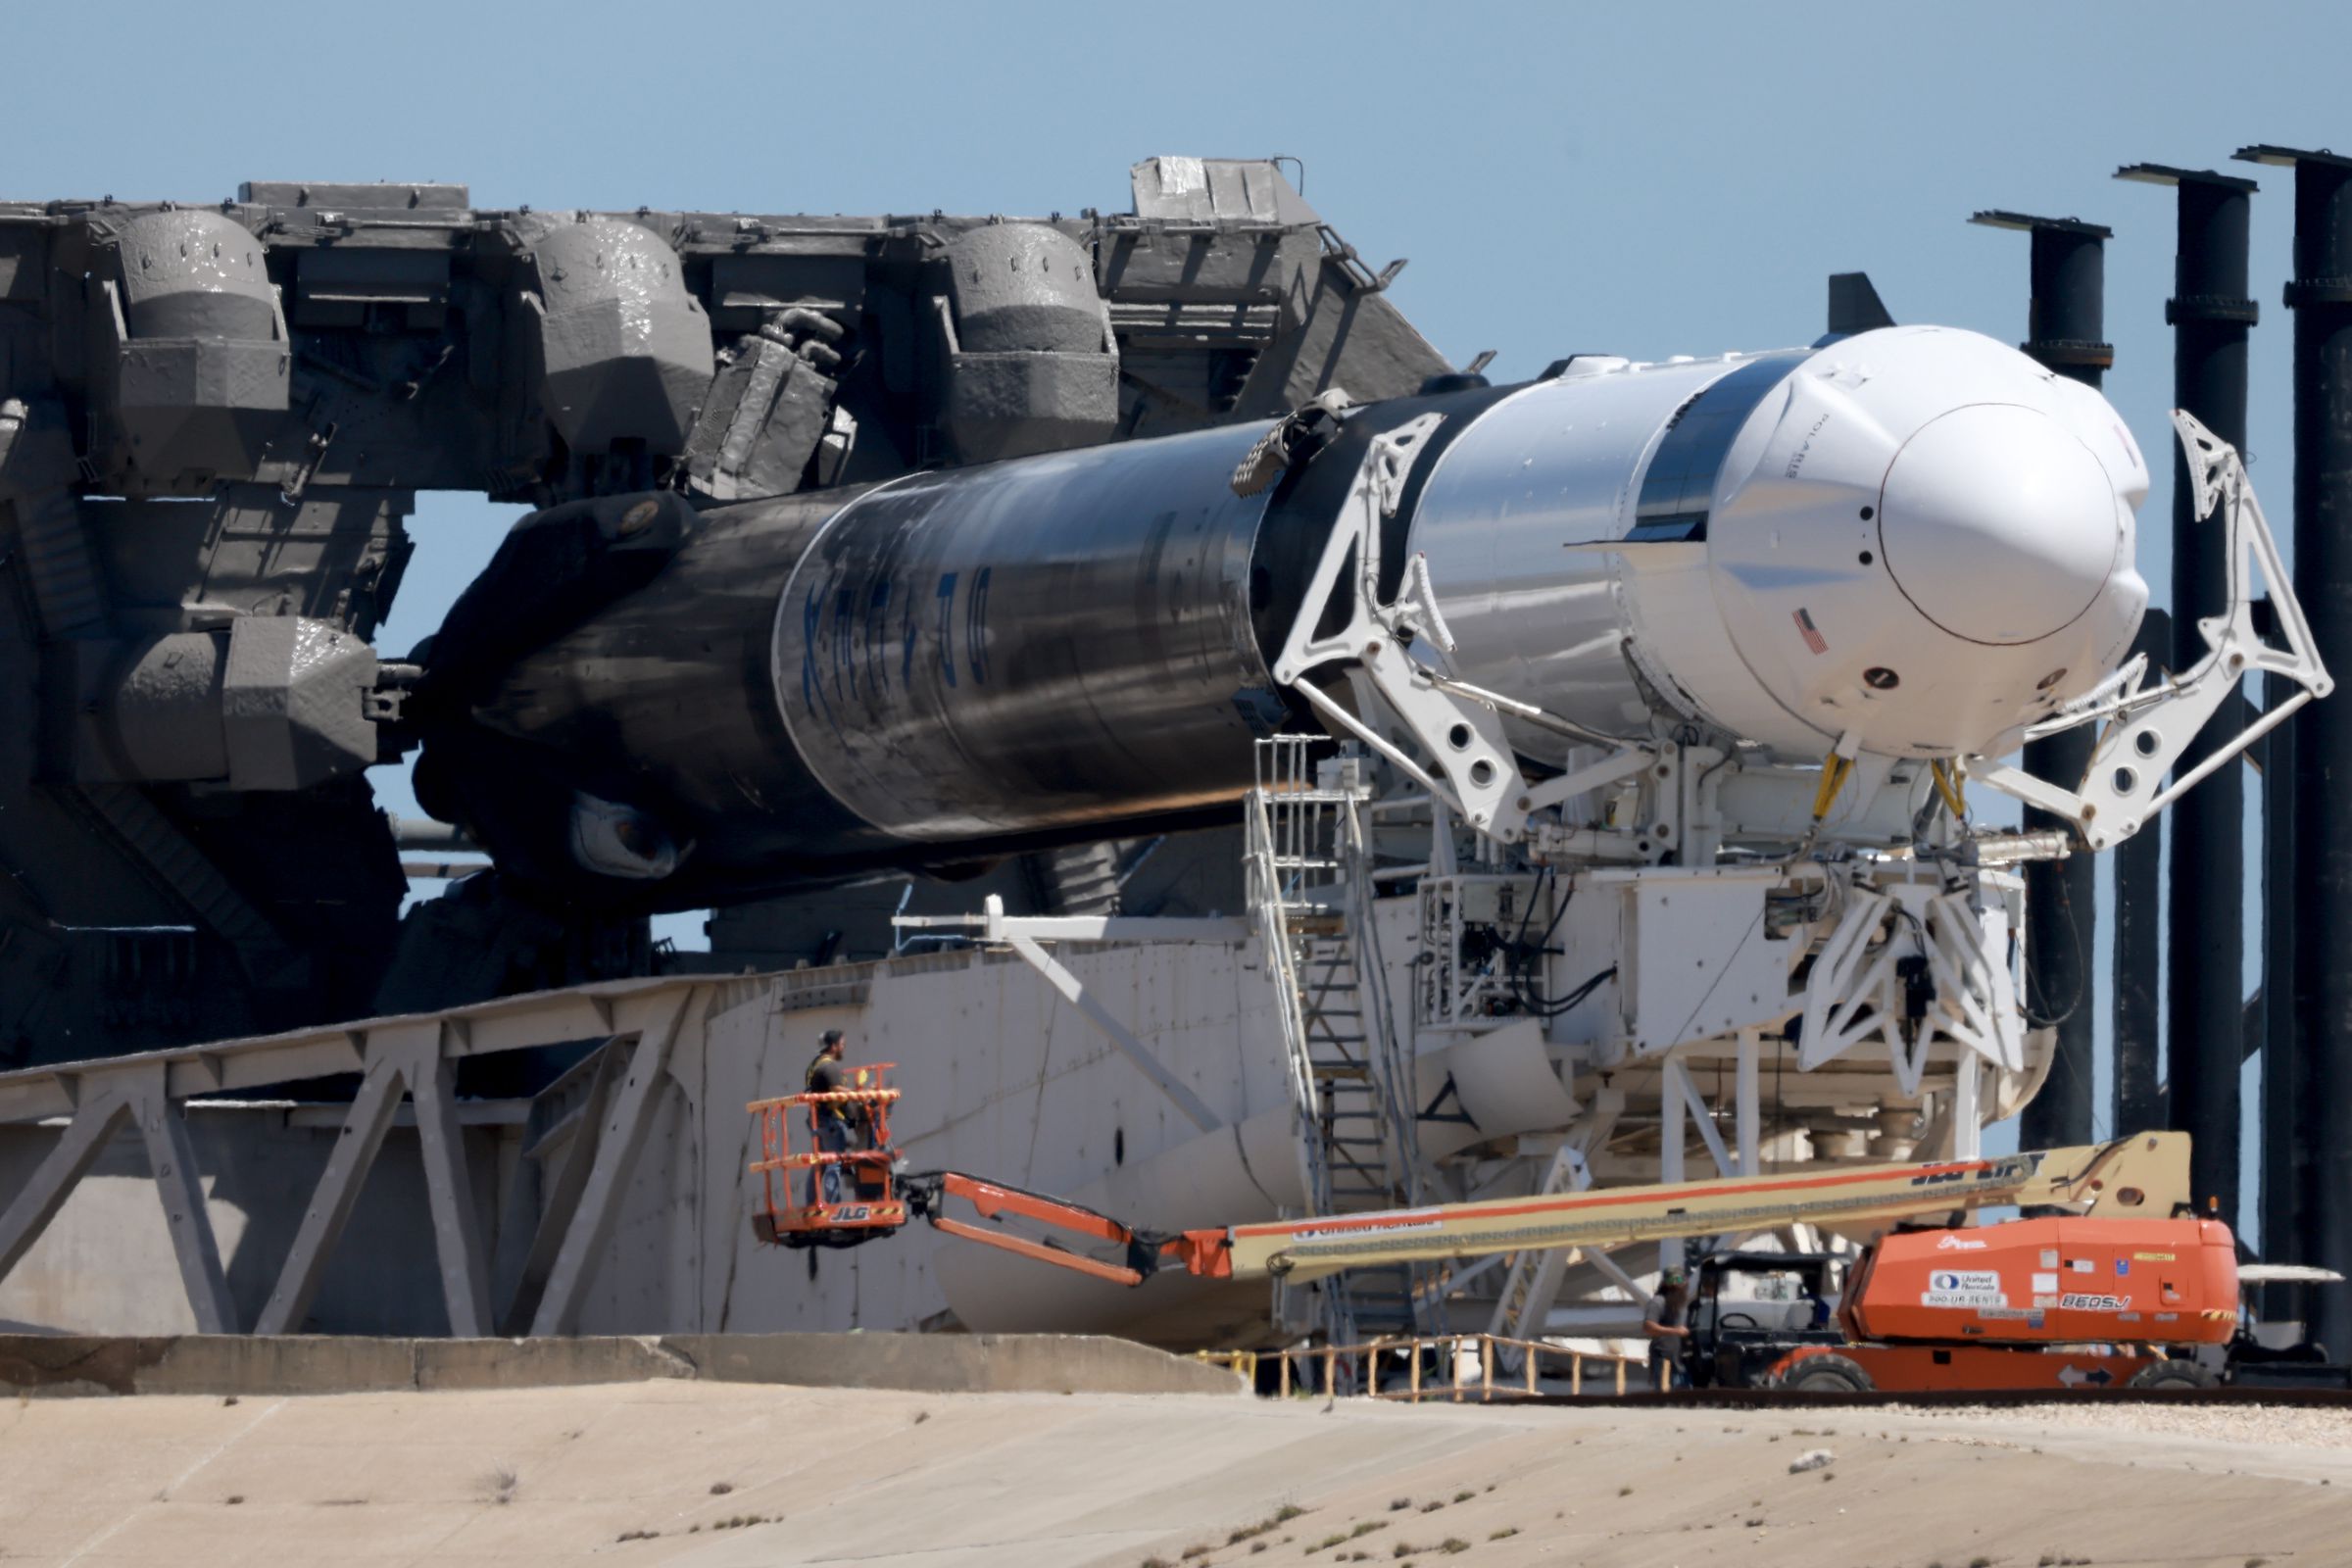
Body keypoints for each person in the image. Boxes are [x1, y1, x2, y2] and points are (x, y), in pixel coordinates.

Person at [803, 1029, 856, 1205]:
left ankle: (811, 1201)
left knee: (820, 1162)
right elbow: (837, 1090)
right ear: (833, 1047)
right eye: (842, 1045)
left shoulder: (815, 1064)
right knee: (834, 1162)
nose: (843, 1048)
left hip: (816, 1119)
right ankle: (833, 1203)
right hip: (828, 1121)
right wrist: (858, 1093)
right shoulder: (829, 1066)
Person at [1643, 1269, 1692, 1391]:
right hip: (1663, 1359)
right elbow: (1648, 1327)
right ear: (1665, 1283)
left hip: (1680, 1361)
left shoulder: (1679, 1304)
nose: (1675, 1284)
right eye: (1671, 1280)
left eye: (1679, 1280)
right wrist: (1676, 1331)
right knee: (1665, 1398)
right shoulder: (1658, 1302)